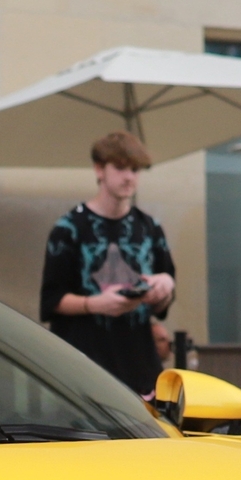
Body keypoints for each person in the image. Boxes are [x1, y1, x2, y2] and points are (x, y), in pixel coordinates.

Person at [39, 131, 178, 396]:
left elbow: (163, 303)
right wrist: (94, 303)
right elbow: (51, 300)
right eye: (121, 168)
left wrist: (163, 289)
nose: (129, 177)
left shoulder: (150, 227)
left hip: (140, 367)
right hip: (84, 369)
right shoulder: (69, 228)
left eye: (135, 170)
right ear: (99, 169)